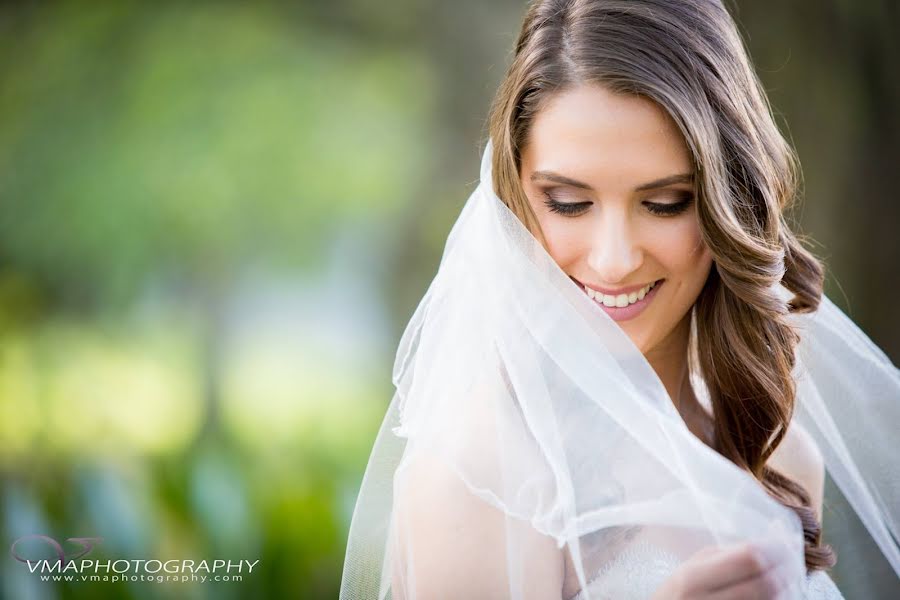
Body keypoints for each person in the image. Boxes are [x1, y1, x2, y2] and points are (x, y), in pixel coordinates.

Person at [340, 1, 900, 598]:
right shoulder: (482, 475)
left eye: (664, 204)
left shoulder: (779, 457)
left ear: (730, 203)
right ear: (514, 198)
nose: (614, 259)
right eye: (568, 202)